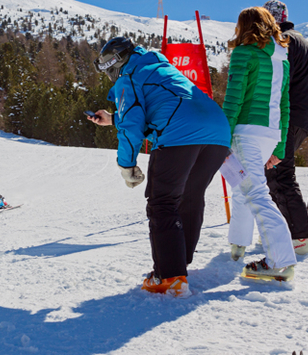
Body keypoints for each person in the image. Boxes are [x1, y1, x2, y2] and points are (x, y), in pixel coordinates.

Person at [90, 37, 230, 297]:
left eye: (108, 65)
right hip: (218, 133)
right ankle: (179, 263)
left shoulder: (128, 76)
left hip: (180, 134)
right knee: (190, 196)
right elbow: (160, 107)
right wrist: (113, 119)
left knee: (162, 202)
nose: (109, 71)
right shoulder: (156, 66)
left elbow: (132, 127)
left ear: (117, 61)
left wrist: (127, 165)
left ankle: (170, 276)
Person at [223, 6, 297, 281]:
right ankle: (238, 244)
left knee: (255, 193)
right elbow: (285, 105)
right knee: (245, 188)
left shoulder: (244, 53)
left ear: (244, 27)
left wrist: (222, 136)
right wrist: (280, 147)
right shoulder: (282, 59)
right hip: (270, 134)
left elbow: (234, 99)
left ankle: (279, 261)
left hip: (246, 132)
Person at [262, 0, 308, 255]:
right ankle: (287, 233)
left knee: (280, 175)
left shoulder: (284, 41)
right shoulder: (300, 40)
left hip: (288, 117)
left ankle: (299, 237)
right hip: (301, 119)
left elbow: (278, 83)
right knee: (275, 174)